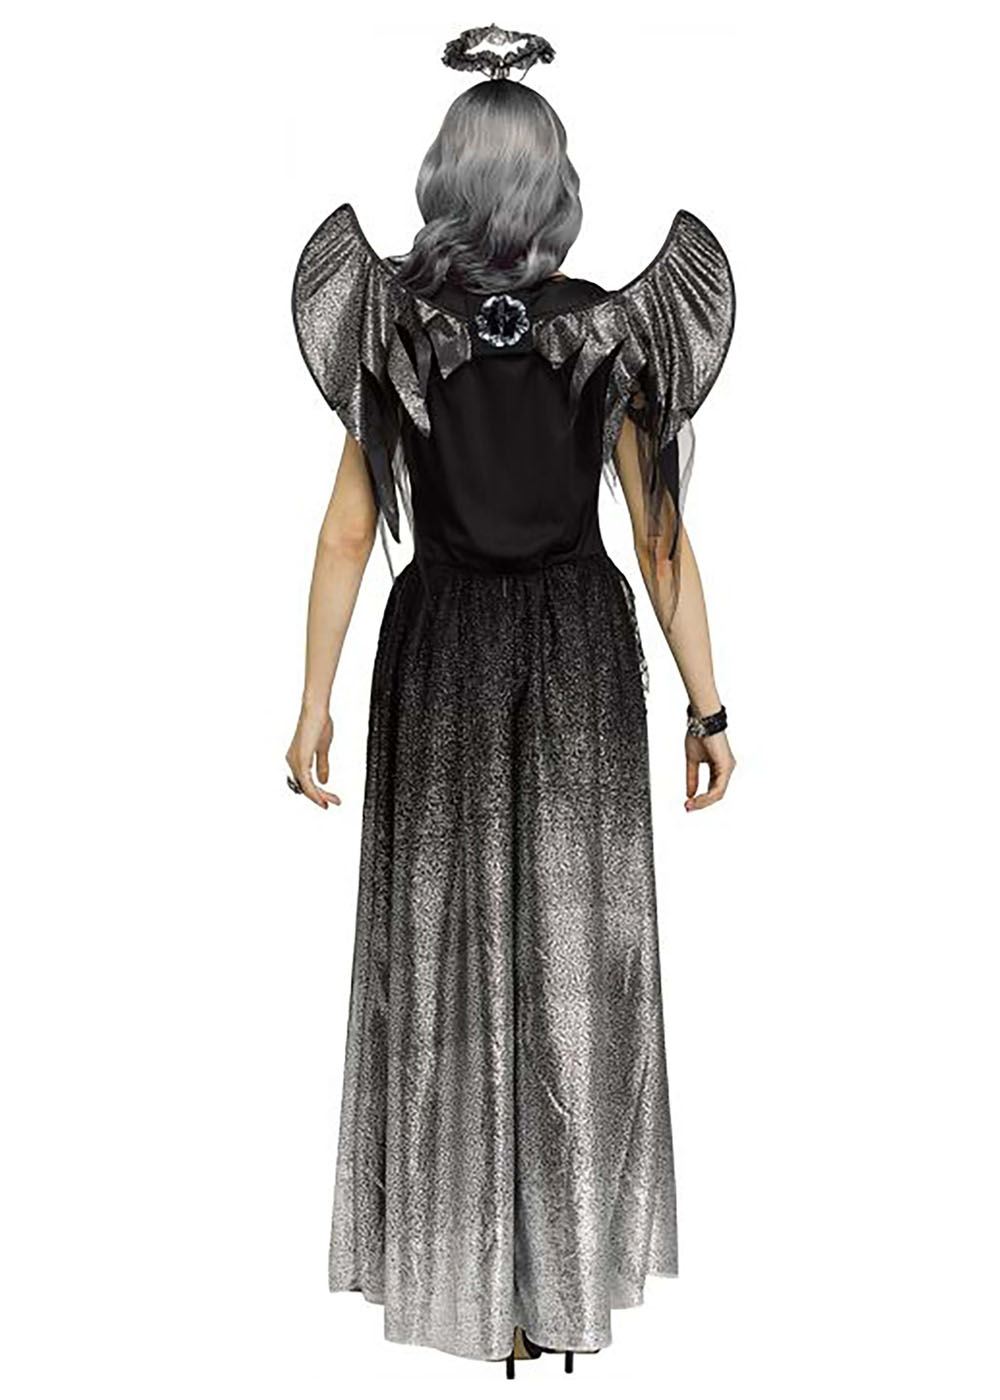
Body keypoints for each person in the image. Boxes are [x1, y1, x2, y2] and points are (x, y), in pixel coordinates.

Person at [285, 23, 736, 1377]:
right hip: (578, 657)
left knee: (448, 955)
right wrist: (710, 708)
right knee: (573, 959)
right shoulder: (610, 330)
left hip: (439, 653)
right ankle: (553, 1282)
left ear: (444, 178)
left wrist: (311, 701)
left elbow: (347, 533)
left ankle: (479, 1282)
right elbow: (660, 542)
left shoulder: (398, 327)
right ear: (553, 185)